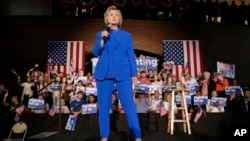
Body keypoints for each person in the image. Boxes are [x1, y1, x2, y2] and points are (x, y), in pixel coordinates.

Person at [92, 5, 141, 141]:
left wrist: (134, 74)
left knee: (128, 104)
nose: (114, 16)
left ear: (120, 19)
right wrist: (101, 39)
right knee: (104, 106)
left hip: (123, 73)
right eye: (111, 14)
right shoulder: (100, 34)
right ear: (106, 18)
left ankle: (137, 136)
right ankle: (104, 136)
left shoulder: (126, 36)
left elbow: (130, 55)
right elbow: (96, 52)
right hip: (104, 73)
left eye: (116, 15)